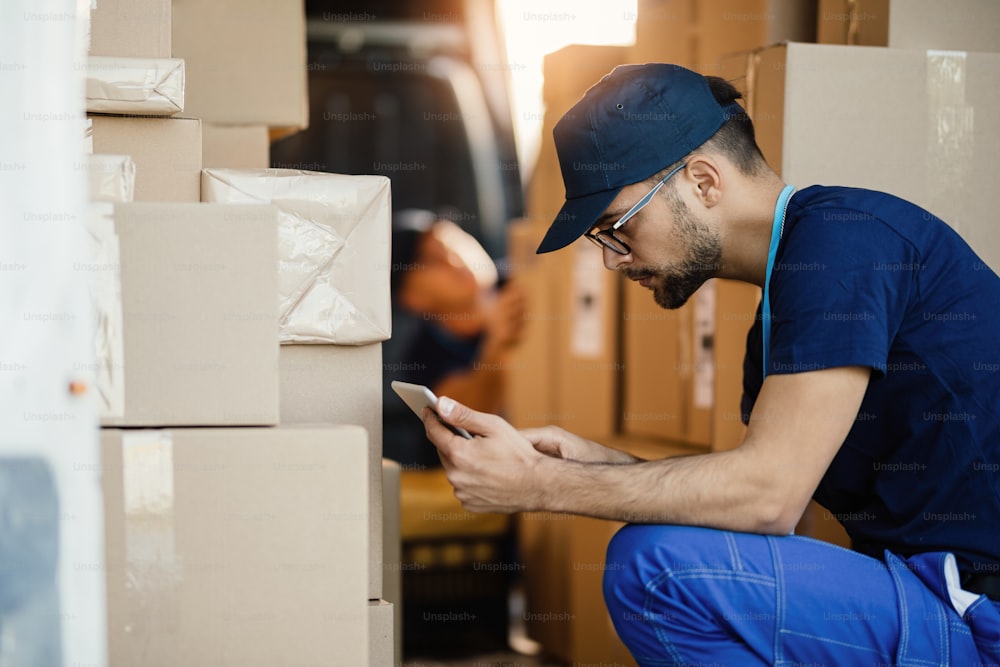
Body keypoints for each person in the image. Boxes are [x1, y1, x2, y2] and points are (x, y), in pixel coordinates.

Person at [417, 64, 1000, 665]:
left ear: (702, 181)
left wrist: (540, 484)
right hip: (926, 593)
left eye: (618, 227)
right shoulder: (779, 317)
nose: (615, 261)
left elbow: (766, 499)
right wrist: (607, 465)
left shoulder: (844, 242)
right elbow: (787, 528)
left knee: (654, 567)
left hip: (976, 610)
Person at [382, 209, 526, 469]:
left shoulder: (529, 279)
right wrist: (495, 347)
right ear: (412, 299)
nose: (454, 258)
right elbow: (463, 419)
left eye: (451, 240)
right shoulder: (423, 356)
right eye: (431, 260)